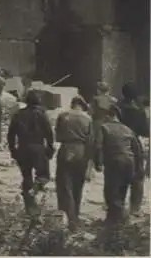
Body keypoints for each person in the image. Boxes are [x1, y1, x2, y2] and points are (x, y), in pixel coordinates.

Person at [7, 89, 55, 214]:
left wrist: (13, 150)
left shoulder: (18, 114)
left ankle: (30, 207)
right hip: (38, 148)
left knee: (26, 176)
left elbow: (10, 134)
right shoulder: (42, 114)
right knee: (44, 176)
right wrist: (50, 148)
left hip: (23, 148)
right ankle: (34, 190)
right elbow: (49, 133)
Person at [93, 104, 142, 224]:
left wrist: (98, 163)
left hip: (114, 162)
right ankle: (118, 219)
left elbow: (98, 146)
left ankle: (115, 221)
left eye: (105, 116)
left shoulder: (104, 128)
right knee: (122, 191)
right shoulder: (127, 129)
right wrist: (138, 168)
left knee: (111, 191)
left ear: (110, 115)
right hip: (129, 163)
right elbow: (137, 150)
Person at [55, 95, 92, 231]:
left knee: (65, 184)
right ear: (82, 105)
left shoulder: (63, 115)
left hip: (66, 149)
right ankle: (75, 215)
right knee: (78, 184)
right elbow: (90, 140)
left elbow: (58, 136)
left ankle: (69, 218)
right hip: (81, 151)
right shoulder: (88, 118)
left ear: (72, 104)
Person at [117, 82, 149, 215]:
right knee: (137, 177)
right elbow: (146, 131)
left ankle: (117, 208)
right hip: (134, 144)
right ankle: (134, 209)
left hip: (116, 144)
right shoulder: (139, 112)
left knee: (117, 177)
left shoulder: (116, 108)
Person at [86, 81, 117, 180]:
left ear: (99, 90)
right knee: (108, 143)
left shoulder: (95, 100)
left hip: (97, 123)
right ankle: (104, 164)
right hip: (110, 123)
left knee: (95, 143)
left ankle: (97, 165)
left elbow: (90, 112)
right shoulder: (113, 100)